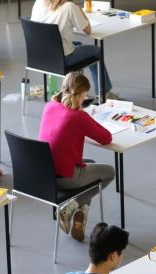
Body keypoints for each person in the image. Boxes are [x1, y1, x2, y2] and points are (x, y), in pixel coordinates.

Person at [38, 72, 116, 241]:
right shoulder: (78, 116)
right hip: (66, 177)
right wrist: (82, 113)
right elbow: (106, 138)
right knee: (109, 172)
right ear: (80, 95)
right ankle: (69, 207)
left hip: (46, 174)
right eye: (84, 95)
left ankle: (79, 220)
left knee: (92, 164)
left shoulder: (50, 106)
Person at [31, 0, 117, 99]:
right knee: (96, 51)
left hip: (41, 56)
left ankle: (75, 90)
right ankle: (104, 93)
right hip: (63, 58)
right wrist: (79, 11)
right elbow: (88, 30)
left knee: (78, 45)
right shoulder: (69, 7)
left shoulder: (39, 2)